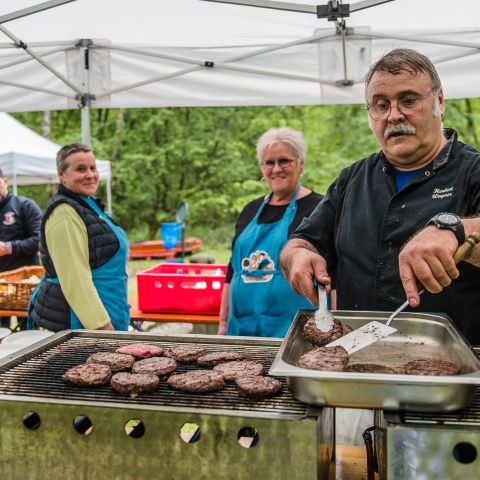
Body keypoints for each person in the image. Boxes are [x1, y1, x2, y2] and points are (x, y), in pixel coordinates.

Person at [280, 48, 480, 346]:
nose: (394, 115)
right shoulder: (352, 179)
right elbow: (300, 242)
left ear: (439, 101)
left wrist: (457, 230)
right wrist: (296, 256)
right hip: (356, 363)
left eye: (409, 100)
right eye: (380, 104)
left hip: (452, 368)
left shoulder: (472, 170)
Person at [217, 127, 323, 337]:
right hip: (241, 327)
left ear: (300, 165)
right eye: (269, 163)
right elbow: (232, 271)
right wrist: (222, 323)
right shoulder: (250, 210)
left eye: (284, 161)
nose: (276, 169)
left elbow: (332, 275)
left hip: (292, 330)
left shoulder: (319, 208)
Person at [29, 143, 130, 331]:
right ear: (62, 174)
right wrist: (104, 329)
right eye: (80, 169)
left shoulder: (87, 204)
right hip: (78, 320)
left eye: (93, 168)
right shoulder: (64, 213)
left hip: (106, 306)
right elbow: (76, 281)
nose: (90, 174)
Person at [0, 168, 42, 329]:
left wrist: (8, 248)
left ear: (5, 181)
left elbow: (39, 240)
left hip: (25, 285)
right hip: (1, 286)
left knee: (27, 336)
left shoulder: (25, 206)